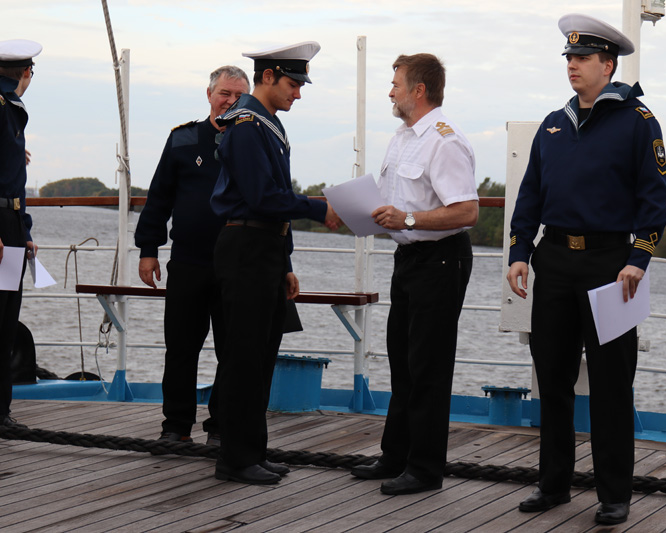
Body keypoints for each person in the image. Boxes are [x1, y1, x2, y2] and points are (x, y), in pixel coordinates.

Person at [506, 14, 666, 525]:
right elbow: (530, 194)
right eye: (569, 58)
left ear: (608, 65)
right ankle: (553, 484)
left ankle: (614, 494)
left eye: (582, 58)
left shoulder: (638, 122)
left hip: (610, 265)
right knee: (551, 379)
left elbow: (655, 199)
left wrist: (638, 259)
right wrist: (519, 251)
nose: (572, 65)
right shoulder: (553, 125)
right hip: (554, 260)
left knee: (611, 383)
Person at [210, 41, 340, 485]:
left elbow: (273, 205)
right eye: (293, 83)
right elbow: (263, 198)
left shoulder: (267, 126)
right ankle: (234, 459)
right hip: (246, 247)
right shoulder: (248, 127)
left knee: (262, 356)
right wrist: (319, 208)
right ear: (268, 77)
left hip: (264, 248)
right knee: (244, 357)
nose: (298, 93)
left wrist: (285, 262)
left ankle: (253, 451)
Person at [350, 53, 479, 495]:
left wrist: (407, 220)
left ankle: (424, 469)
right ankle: (396, 455)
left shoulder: (444, 141)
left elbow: (467, 211)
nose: (390, 92)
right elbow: (394, 204)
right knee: (403, 361)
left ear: (419, 90)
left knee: (428, 366)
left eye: (396, 84)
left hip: (440, 260)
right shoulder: (402, 138)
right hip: (408, 260)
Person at [134, 66, 251, 446]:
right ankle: (175, 427)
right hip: (188, 262)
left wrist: (285, 263)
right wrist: (148, 250)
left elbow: (272, 206)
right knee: (181, 349)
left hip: (237, 265)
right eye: (224, 93)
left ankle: (221, 429)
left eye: (239, 95)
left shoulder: (255, 142)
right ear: (209, 94)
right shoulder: (182, 139)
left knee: (231, 352)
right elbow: (159, 198)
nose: (231, 101)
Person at [0, 39, 41, 430]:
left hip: (9, 227)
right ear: (27, 73)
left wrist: (23, 230)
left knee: (6, 319)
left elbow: (12, 183)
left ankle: (1, 411)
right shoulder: (4, 107)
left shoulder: (11, 109)